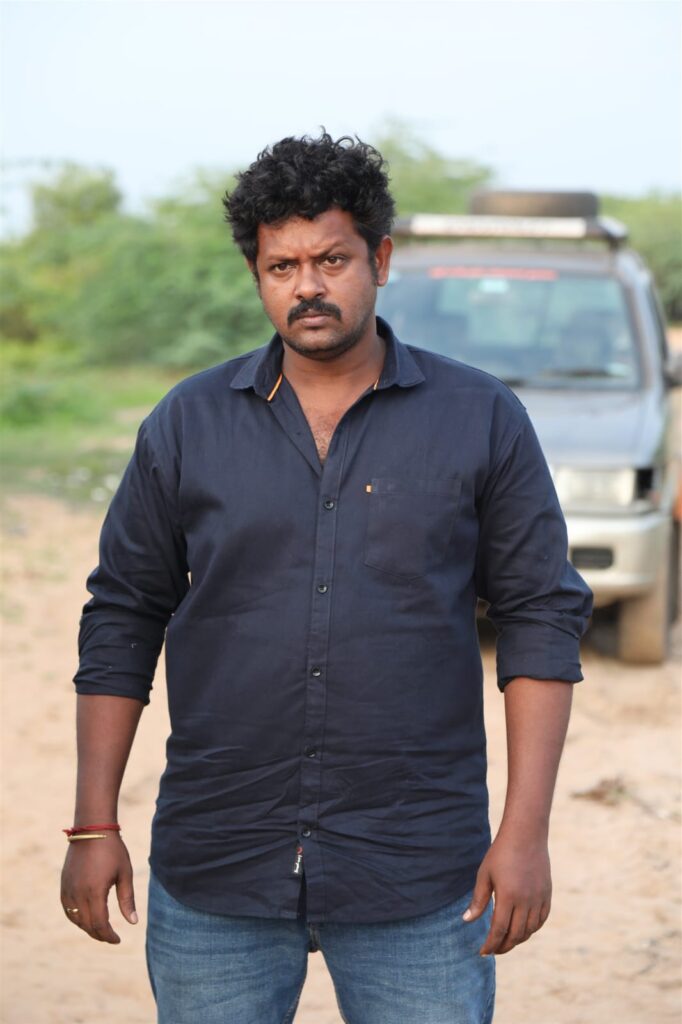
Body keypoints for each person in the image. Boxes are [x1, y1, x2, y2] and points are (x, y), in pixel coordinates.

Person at [61, 132, 593, 1024]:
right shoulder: (188, 423)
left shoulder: (481, 417)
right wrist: (93, 823)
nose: (307, 285)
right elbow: (122, 614)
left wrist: (525, 833)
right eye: (282, 266)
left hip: (417, 869)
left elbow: (540, 617)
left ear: (380, 259)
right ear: (257, 275)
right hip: (220, 860)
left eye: (332, 260)